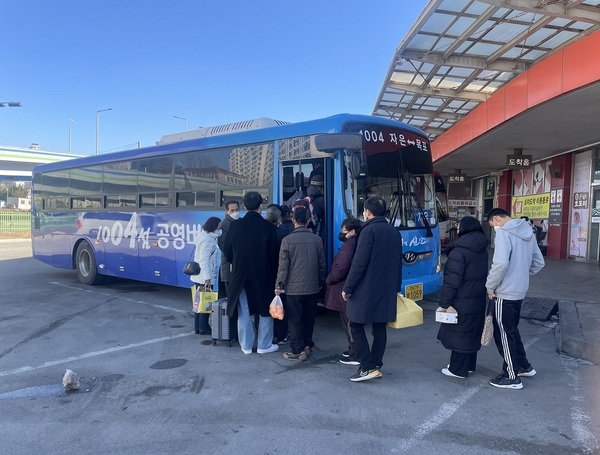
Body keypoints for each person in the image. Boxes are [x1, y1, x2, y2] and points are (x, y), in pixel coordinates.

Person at [342, 196, 402, 382]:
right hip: (387, 288)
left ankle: (367, 366)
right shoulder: (394, 232)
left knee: (355, 323)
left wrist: (348, 287)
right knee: (379, 326)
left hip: (367, 288)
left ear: (368, 212)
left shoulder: (368, 232)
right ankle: (375, 365)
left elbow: (359, 263)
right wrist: (396, 288)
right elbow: (398, 264)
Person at [486, 208, 545, 389]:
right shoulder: (528, 231)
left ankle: (512, 376)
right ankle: (523, 365)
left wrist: (490, 286)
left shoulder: (504, 233)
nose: (494, 229)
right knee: (511, 330)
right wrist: (521, 276)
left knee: (503, 333)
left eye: (492, 225)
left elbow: (500, 264)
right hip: (519, 291)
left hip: (504, 292)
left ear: (496, 219)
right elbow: (539, 262)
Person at [223, 192, 279, 355]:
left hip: (240, 275)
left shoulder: (235, 226)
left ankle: (246, 345)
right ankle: (264, 344)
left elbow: (227, 251)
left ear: (245, 206)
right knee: (264, 309)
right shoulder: (269, 227)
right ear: (260, 206)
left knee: (244, 310)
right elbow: (273, 255)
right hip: (264, 275)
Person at [437, 216, 488, 378]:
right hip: (477, 297)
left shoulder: (459, 251)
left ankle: (457, 369)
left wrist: (445, 302)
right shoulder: (481, 247)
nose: (457, 229)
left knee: (459, 332)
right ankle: (469, 365)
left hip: (462, 298)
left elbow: (452, 280)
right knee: (471, 330)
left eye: (459, 226)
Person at [275, 204, 326, 361]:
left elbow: (283, 267)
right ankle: (307, 345)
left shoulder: (287, 241)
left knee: (294, 319)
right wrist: (320, 282)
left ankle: (297, 350)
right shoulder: (317, 240)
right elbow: (322, 264)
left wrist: (279, 285)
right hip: (312, 288)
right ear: (308, 219)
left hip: (293, 289)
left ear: (292, 220)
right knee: (309, 318)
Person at [324, 218, 362, 366]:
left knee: (349, 323)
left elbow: (341, 267)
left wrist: (329, 279)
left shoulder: (349, 246)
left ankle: (355, 353)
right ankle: (353, 349)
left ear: (352, 231)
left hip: (343, 288)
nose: (341, 233)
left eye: (343, 230)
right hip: (351, 287)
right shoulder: (358, 242)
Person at [190, 216, 222, 335]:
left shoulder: (203, 236)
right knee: (206, 302)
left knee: (198, 302)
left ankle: (198, 327)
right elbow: (204, 260)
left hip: (199, 276)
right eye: (219, 225)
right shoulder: (208, 240)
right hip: (204, 277)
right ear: (213, 226)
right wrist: (207, 277)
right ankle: (204, 327)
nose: (220, 227)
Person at [274, 204, 294, 345]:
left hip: (279, 273)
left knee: (281, 306)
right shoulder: (295, 231)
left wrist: (278, 284)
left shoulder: (276, 231)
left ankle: (279, 334)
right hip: (294, 277)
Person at [217, 200, 240, 297]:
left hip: (239, 267)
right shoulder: (223, 226)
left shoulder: (240, 222)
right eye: (232, 210)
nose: (235, 212)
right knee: (231, 296)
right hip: (229, 266)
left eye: (237, 210)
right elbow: (224, 247)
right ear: (226, 212)